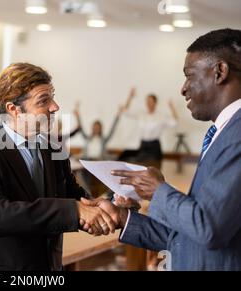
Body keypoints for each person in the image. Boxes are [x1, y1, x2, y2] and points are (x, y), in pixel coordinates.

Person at [90, 29, 241, 271]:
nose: (183, 88)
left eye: (189, 75)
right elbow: (188, 237)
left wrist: (158, 190)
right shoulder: (223, 132)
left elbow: (209, 230)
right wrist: (122, 217)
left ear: (219, 72)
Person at [0, 63, 118, 271]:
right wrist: (75, 211)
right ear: (14, 109)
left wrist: (106, 203)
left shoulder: (53, 148)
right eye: (44, 100)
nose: (55, 107)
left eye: (52, 97)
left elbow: (73, 196)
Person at [119, 87, 179, 167]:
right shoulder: (141, 114)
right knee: (138, 165)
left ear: (155, 103)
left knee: (153, 168)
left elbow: (175, 123)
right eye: (147, 101)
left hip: (154, 147)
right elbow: (125, 111)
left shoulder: (160, 116)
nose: (148, 103)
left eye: (151, 101)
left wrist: (172, 107)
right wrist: (130, 96)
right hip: (143, 145)